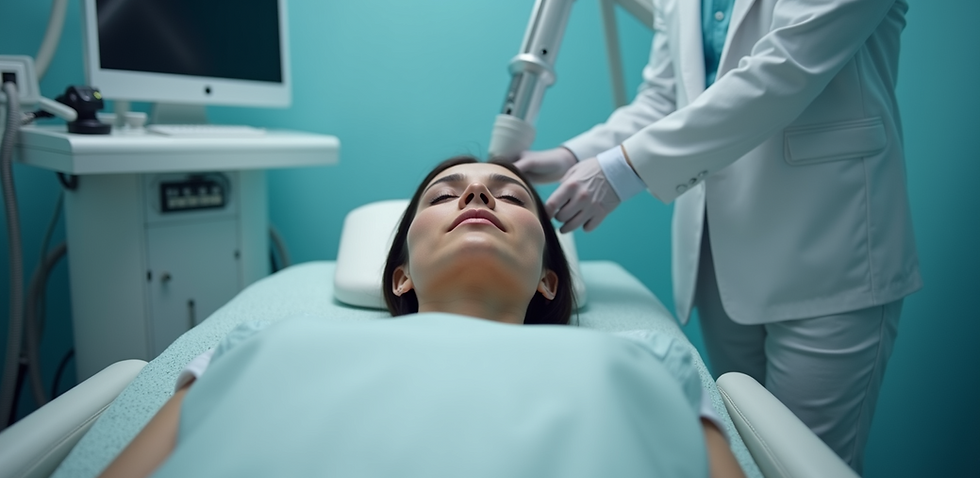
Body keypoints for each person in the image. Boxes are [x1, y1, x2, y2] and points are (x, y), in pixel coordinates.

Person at [515, 0, 923, 472]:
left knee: (801, 465)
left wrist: (620, 171)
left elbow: (787, 67)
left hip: (828, 250)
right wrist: (567, 157)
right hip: (718, 260)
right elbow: (664, 99)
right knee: (747, 458)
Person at [97, 156, 746, 478]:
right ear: (400, 273)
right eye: (443, 194)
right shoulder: (255, 342)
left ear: (550, 277)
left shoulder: (651, 358)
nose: (476, 192)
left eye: (511, 196)